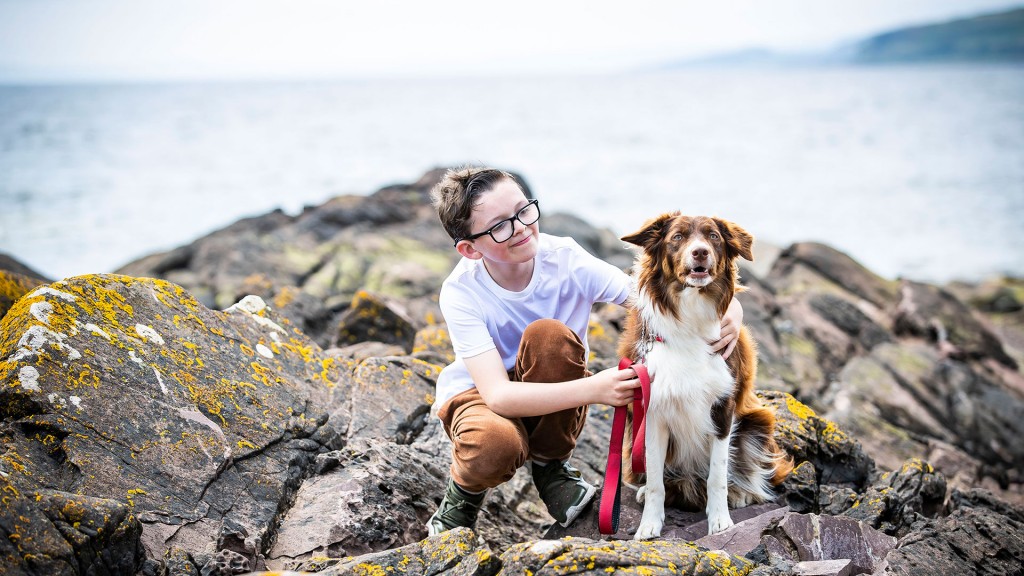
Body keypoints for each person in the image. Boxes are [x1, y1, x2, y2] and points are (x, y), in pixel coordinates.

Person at [426, 166, 744, 535]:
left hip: (549, 381)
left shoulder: (565, 258)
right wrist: (596, 390)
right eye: (500, 226)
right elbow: (498, 394)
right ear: (469, 249)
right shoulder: (461, 291)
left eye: (524, 210)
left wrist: (732, 307)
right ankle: (462, 497)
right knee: (494, 444)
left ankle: (551, 467)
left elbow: (648, 299)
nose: (522, 227)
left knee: (550, 337)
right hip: (480, 393)